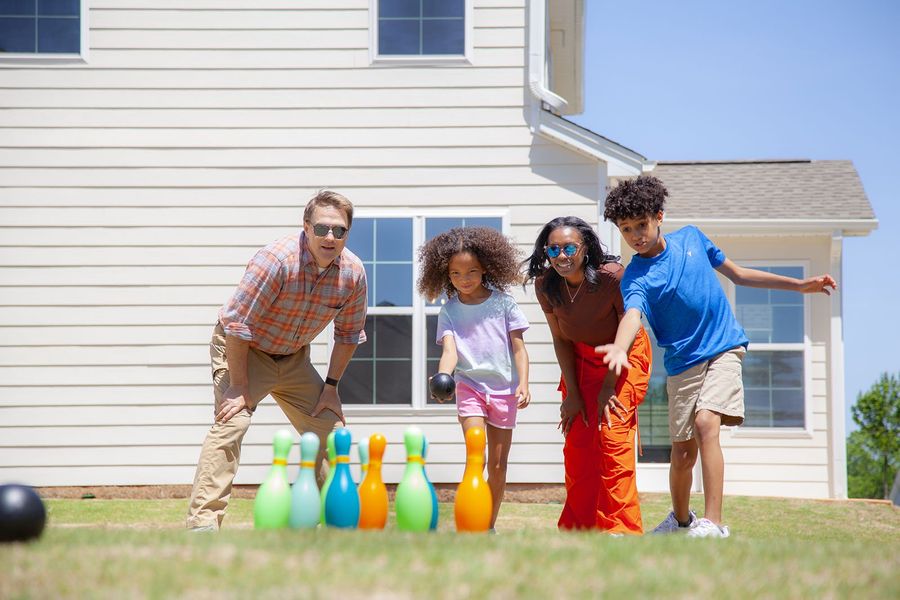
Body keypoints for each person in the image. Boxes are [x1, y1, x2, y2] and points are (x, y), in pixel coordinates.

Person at [599, 176, 837, 538]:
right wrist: (619, 346)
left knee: (707, 422)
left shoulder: (693, 238)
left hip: (723, 348)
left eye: (641, 225)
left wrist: (799, 286)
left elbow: (739, 275)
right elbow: (632, 314)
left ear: (659, 215)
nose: (635, 235)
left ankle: (713, 523)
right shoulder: (635, 276)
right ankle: (681, 521)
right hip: (682, 364)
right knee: (681, 453)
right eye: (626, 229)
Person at [185, 190, 368, 531]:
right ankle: (204, 524)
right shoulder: (277, 260)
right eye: (322, 229)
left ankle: (321, 518)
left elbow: (347, 335)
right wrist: (239, 386)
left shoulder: (353, 274)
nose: (330, 237)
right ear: (306, 227)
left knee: (332, 435)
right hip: (244, 349)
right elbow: (238, 325)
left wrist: (331, 387)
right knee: (232, 421)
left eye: (339, 231)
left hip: (294, 357)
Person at [522, 217, 652, 535]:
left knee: (612, 436)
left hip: (624, 357)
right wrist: (573, 395)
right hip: (580, 360)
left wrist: (609, 386)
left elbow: (628, 328)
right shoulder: (546, 285)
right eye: (553, 248)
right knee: (579, 444)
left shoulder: (611, 277)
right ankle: (580, 527)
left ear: (585, 248)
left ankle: (620, 529)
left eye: (569, 247)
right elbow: (560, 339)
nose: (561, 255)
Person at [417, 226, 531, 531]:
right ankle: (471, 521)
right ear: (445, 275)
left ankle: (487, 525)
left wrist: (524, 383)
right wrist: (443, 373)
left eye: (471, 271)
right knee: (475, 455)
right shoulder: (450, 310)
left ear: (486, 268)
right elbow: (451, 352)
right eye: (455, 273)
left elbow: (519, 349)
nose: (463, 279)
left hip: (504, 389)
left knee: (497, 465)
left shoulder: (504, 304)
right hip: (469, 387)